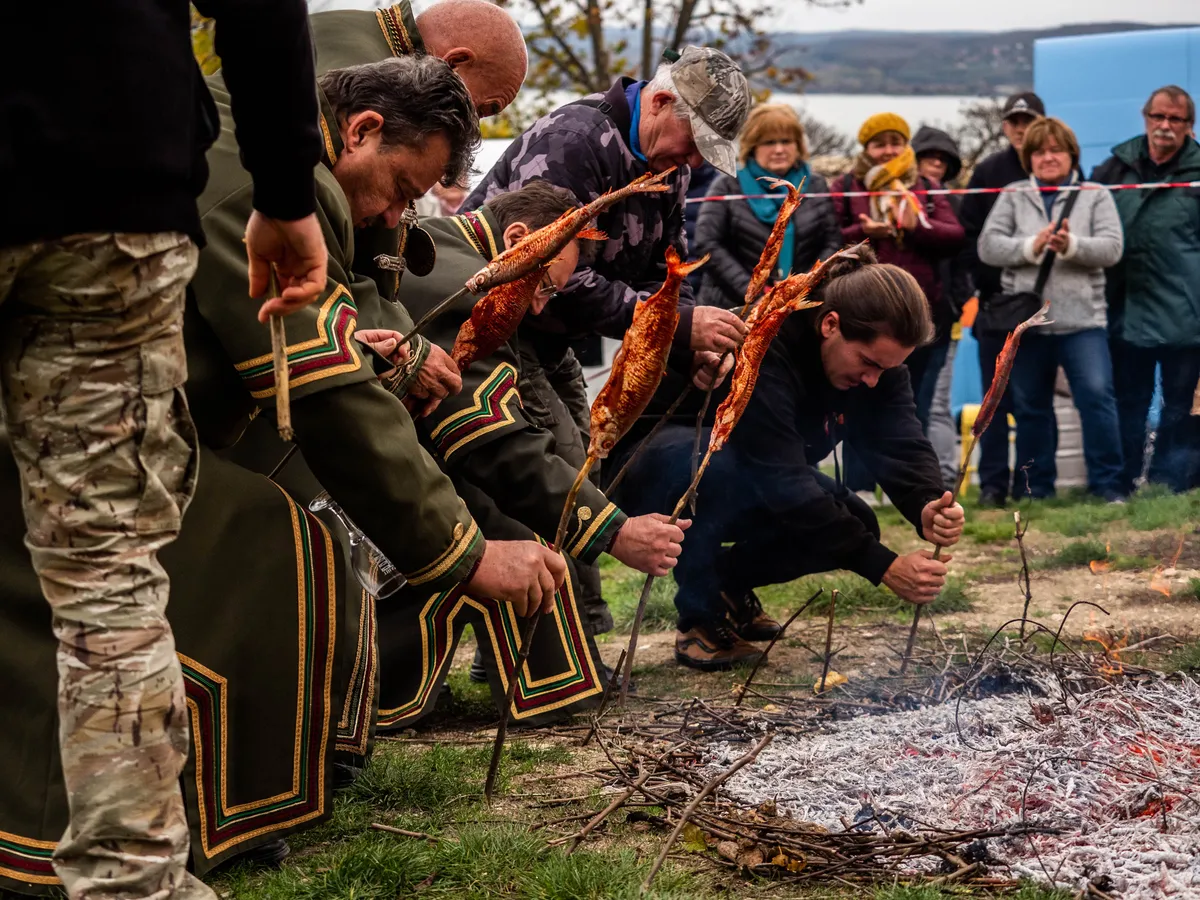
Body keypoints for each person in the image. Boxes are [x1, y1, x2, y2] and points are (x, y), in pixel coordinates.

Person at [0, 54, 569, 896]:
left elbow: (329, 346)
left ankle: (216, 804)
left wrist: (384, 357)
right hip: (58, 433)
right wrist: (463, 555)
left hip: (131, 414)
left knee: (288, 532)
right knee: (271, 546)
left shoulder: (290, 168)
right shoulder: (264, 183)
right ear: (362, 128)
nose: (395, 215)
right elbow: (325, 387)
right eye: (401, 188)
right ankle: (79, 845)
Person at [0, 1, 328, 897]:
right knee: (106, 567)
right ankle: (131, 881)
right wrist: (285, 190)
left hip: (121, 169)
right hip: (115, 171)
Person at [365, 181, 693, 725]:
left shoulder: (452, 243)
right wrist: (615, 532)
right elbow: (493, 444)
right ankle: (380, 684)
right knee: (517, 530)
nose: (541, 304)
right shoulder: (469, 288)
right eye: (543, 285)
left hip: (375, 455)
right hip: (341, 479)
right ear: (518, 237)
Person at [463, 46, 753, 639]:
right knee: (562, 473)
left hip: (554, 338)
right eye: (694, 141)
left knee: (585, 473)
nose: (694, 159)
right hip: (497, 324)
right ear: (662, 100)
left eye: (704, 153)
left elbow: (664, 272)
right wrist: (674, 325)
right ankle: (568, 640)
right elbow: (548, 269)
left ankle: (561, 633)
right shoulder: (574, 139)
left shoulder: (672, 170)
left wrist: (684, 339)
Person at [607, 250, 966, 670]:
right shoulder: (767, 344)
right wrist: (885, 566)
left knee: (857, 522)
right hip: (652, 468)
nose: (873, 380)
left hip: (752, 470)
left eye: (885, 370)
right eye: (868, 363)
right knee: (718, 472)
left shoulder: (880, 368)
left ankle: (726, 586)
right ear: (830, 324)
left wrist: (926, 501)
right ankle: (699, 618)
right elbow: (782, 481)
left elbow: (900, 440)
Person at [310, 0, 529, 304]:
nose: (470, 127)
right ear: (455, 63)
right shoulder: (369, 82)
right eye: (481, 109)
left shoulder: (345, 32)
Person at [979, 117, 1125, 501]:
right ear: (1029, 158)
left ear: (1071, 154)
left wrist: (1071, 246)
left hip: (1083, 321)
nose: (1048, 158)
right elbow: (988, 247)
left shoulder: (1095, 193)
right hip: (1028, 325)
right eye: (1040, 151)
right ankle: (1035, 490)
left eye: (1055, 150)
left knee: (1096, 399)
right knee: (1030, 408)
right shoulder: (1012, 193)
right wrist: (1032, 246)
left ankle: (1109, 487)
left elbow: (1112, 248)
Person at [833, 113, 964, 504]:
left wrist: (918, 225)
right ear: (866, 149)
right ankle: (859, 484)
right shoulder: (846, 186)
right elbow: (827, 235)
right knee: (857, 397)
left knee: (914, 404)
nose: (888, 150)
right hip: (864, 314)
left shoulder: (925, 187)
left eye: (896, 142)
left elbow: (955, 235)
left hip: (921, 316)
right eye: (879, 143)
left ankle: (905, 485)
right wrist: (862, 233)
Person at [1092, 85, 1200, 494]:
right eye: (1158, 117)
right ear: (1146, 118)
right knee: (1127, 403)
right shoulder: (1114, 168)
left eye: (1175, 119)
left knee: (1178, 407)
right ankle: (1122, 482)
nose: (1165, 126)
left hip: (1186, 317)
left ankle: (1169, 485)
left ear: (1190, 127)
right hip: (1126, 310)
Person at [958, 91, 1047, 507]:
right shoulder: (990, 170)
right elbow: (969, 233)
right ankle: (993, 486)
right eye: (1014, 121)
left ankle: (1032, 483)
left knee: (1033, 401)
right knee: (993, 400)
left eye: (1028, 120)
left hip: (1042, 308)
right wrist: (984, 282)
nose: (1021, 128)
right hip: (995, 306)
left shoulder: (1056, 166)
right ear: (1004, 125)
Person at [694, 104, 842, 309]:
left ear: (798, 145)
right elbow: (707, 242)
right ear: (753, 146)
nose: (779, 149)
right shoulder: (728, 185)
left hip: (799, 306)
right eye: (769, 142)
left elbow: (832, 240)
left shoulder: (815, 184)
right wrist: (752, 291)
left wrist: (803, 285)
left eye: (786, 141)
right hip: (733, 307)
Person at [913, 125, 972, 488]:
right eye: (928, 157)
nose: (935, 164)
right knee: (896, 401)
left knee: (935, 401)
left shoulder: (956, 204)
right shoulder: (895, 198)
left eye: (943, 160)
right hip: (898, 316)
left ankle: (940, 478)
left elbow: (966, 259)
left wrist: (960, 297)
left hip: (944, 316)